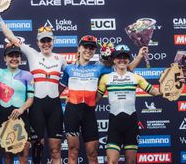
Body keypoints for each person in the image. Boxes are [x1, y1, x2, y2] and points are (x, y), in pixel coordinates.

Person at [0, 7, 67, 164]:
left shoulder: (61, 59)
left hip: (54, 106)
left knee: (55, 149)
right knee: (37, 147)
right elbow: (9, 35)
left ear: (53, 41)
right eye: (43, 41)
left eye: (48, 40)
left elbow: (74, 74)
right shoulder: (32, 54)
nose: (46, 44)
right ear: (37, 42)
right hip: (36, 105)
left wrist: (60, 89)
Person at [59, 36, 145, 164]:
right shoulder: (68, 68)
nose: (88, 50)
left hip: (89, 113)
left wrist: (139, 57)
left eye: (92, 48)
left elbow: (125, 70)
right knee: (73, 151)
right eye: (85, 47)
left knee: (93, 153)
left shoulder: (99, 68)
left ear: (95, 51)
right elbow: (57, 91)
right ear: (79, 48)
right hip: (72, 111)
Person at [96, 44, 164, 164]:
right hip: (114, 124)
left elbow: (156, 92)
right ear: (114, 60)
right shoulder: (106, 78)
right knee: (111, 161)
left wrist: (173, 85)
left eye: (125, 57)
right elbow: (95, 100)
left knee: (131, 161)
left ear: (129, 60)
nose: (122, 60)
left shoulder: (136, 77)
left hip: (131, 124)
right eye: (119, 57)